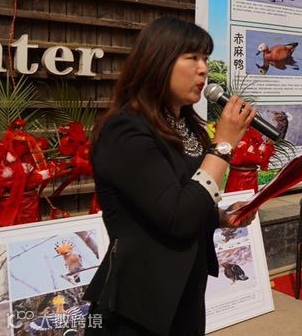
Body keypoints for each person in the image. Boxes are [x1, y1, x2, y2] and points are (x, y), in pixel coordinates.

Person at [84, 17, 257, 335]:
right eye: (192, 57)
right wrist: (223, 146)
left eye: (205, 58)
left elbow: (186, 199)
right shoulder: (125, 130)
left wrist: (221, 217)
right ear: (158, 62)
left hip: (185, 291)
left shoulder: (189, 127)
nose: (203, 69)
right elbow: (176, 217)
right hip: (137, 301)